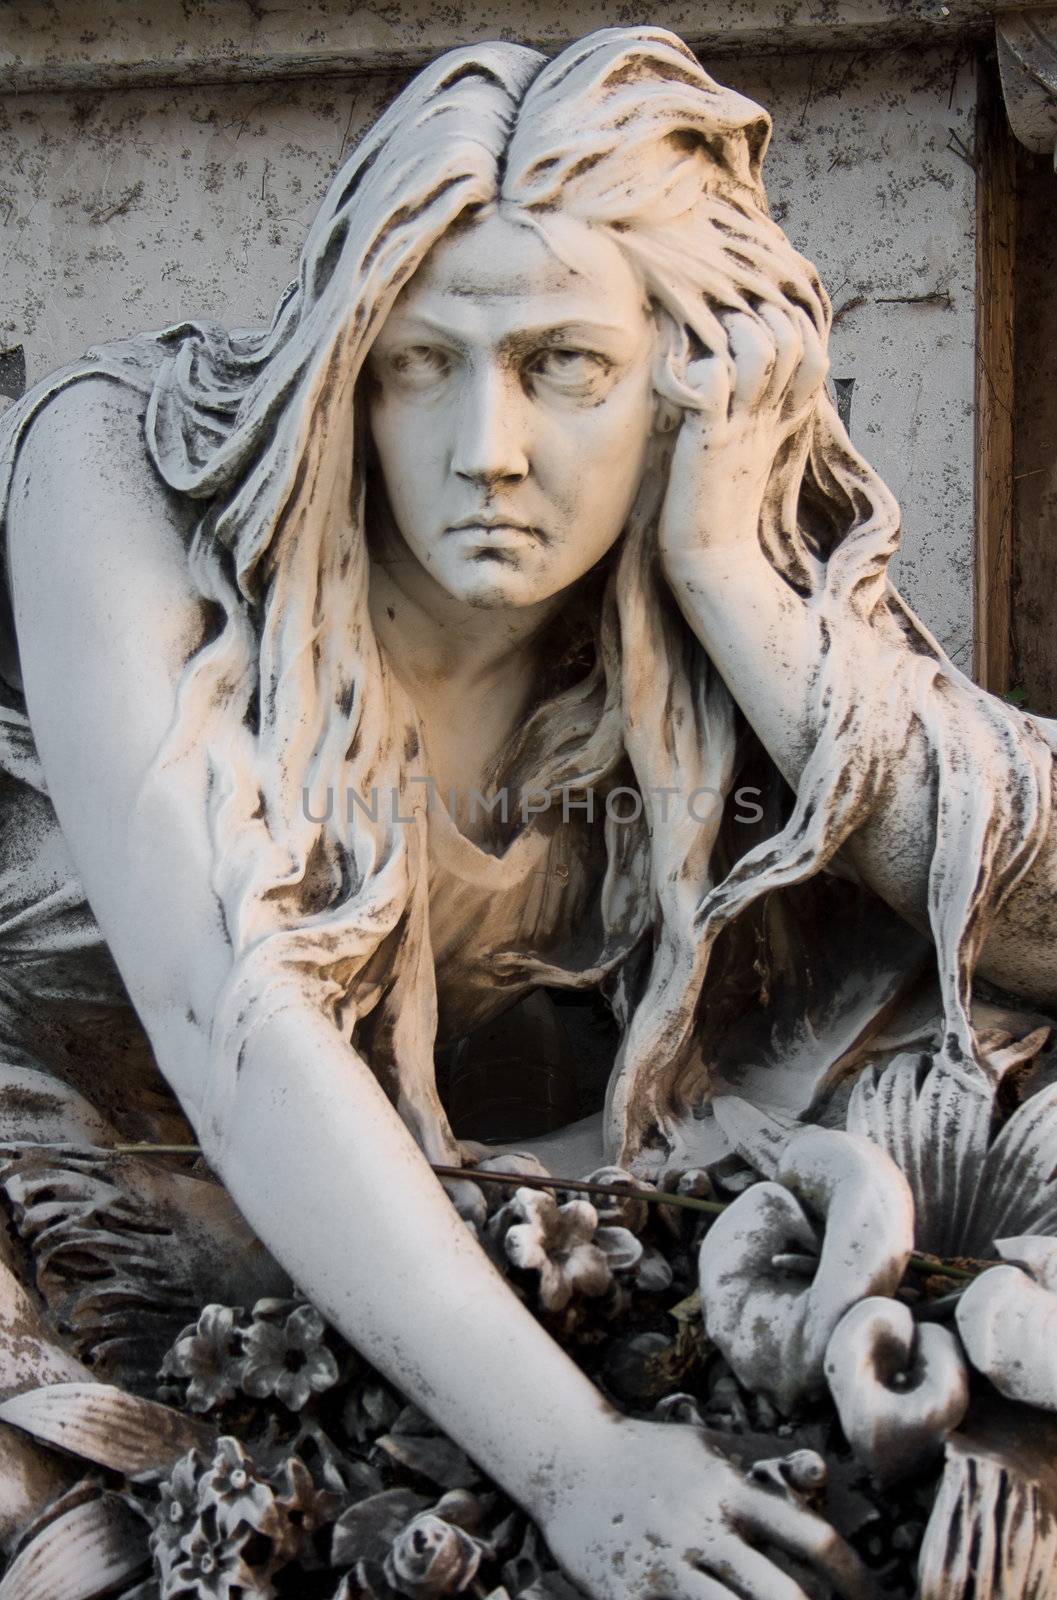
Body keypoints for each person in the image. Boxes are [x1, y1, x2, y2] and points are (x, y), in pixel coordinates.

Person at [1, 24, 1054, 1598]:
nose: (481, 452)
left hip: (534, 1211)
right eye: (419, 363)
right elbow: (233, 1006)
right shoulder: (118, 470)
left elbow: (1029, 918)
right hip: (93, 1193)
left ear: (696, 375)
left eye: (563, 367)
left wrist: (729, 582)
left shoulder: (697, 560)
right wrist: (571, 1460)